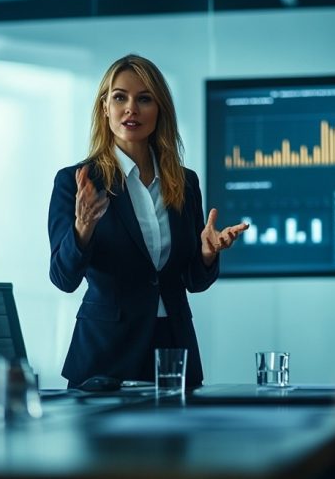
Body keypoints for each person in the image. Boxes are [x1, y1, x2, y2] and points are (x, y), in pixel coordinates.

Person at [47, 54, 248, 388]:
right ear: (104, 107)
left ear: (160, 110)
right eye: (120, 97)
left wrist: (208, 254)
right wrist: (83, 228)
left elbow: (193, 281)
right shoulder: (77, 181)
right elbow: (63, 278)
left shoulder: (184, 183)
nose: (131, 109)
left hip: (173, 348)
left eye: (144, 99)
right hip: (105, 356)